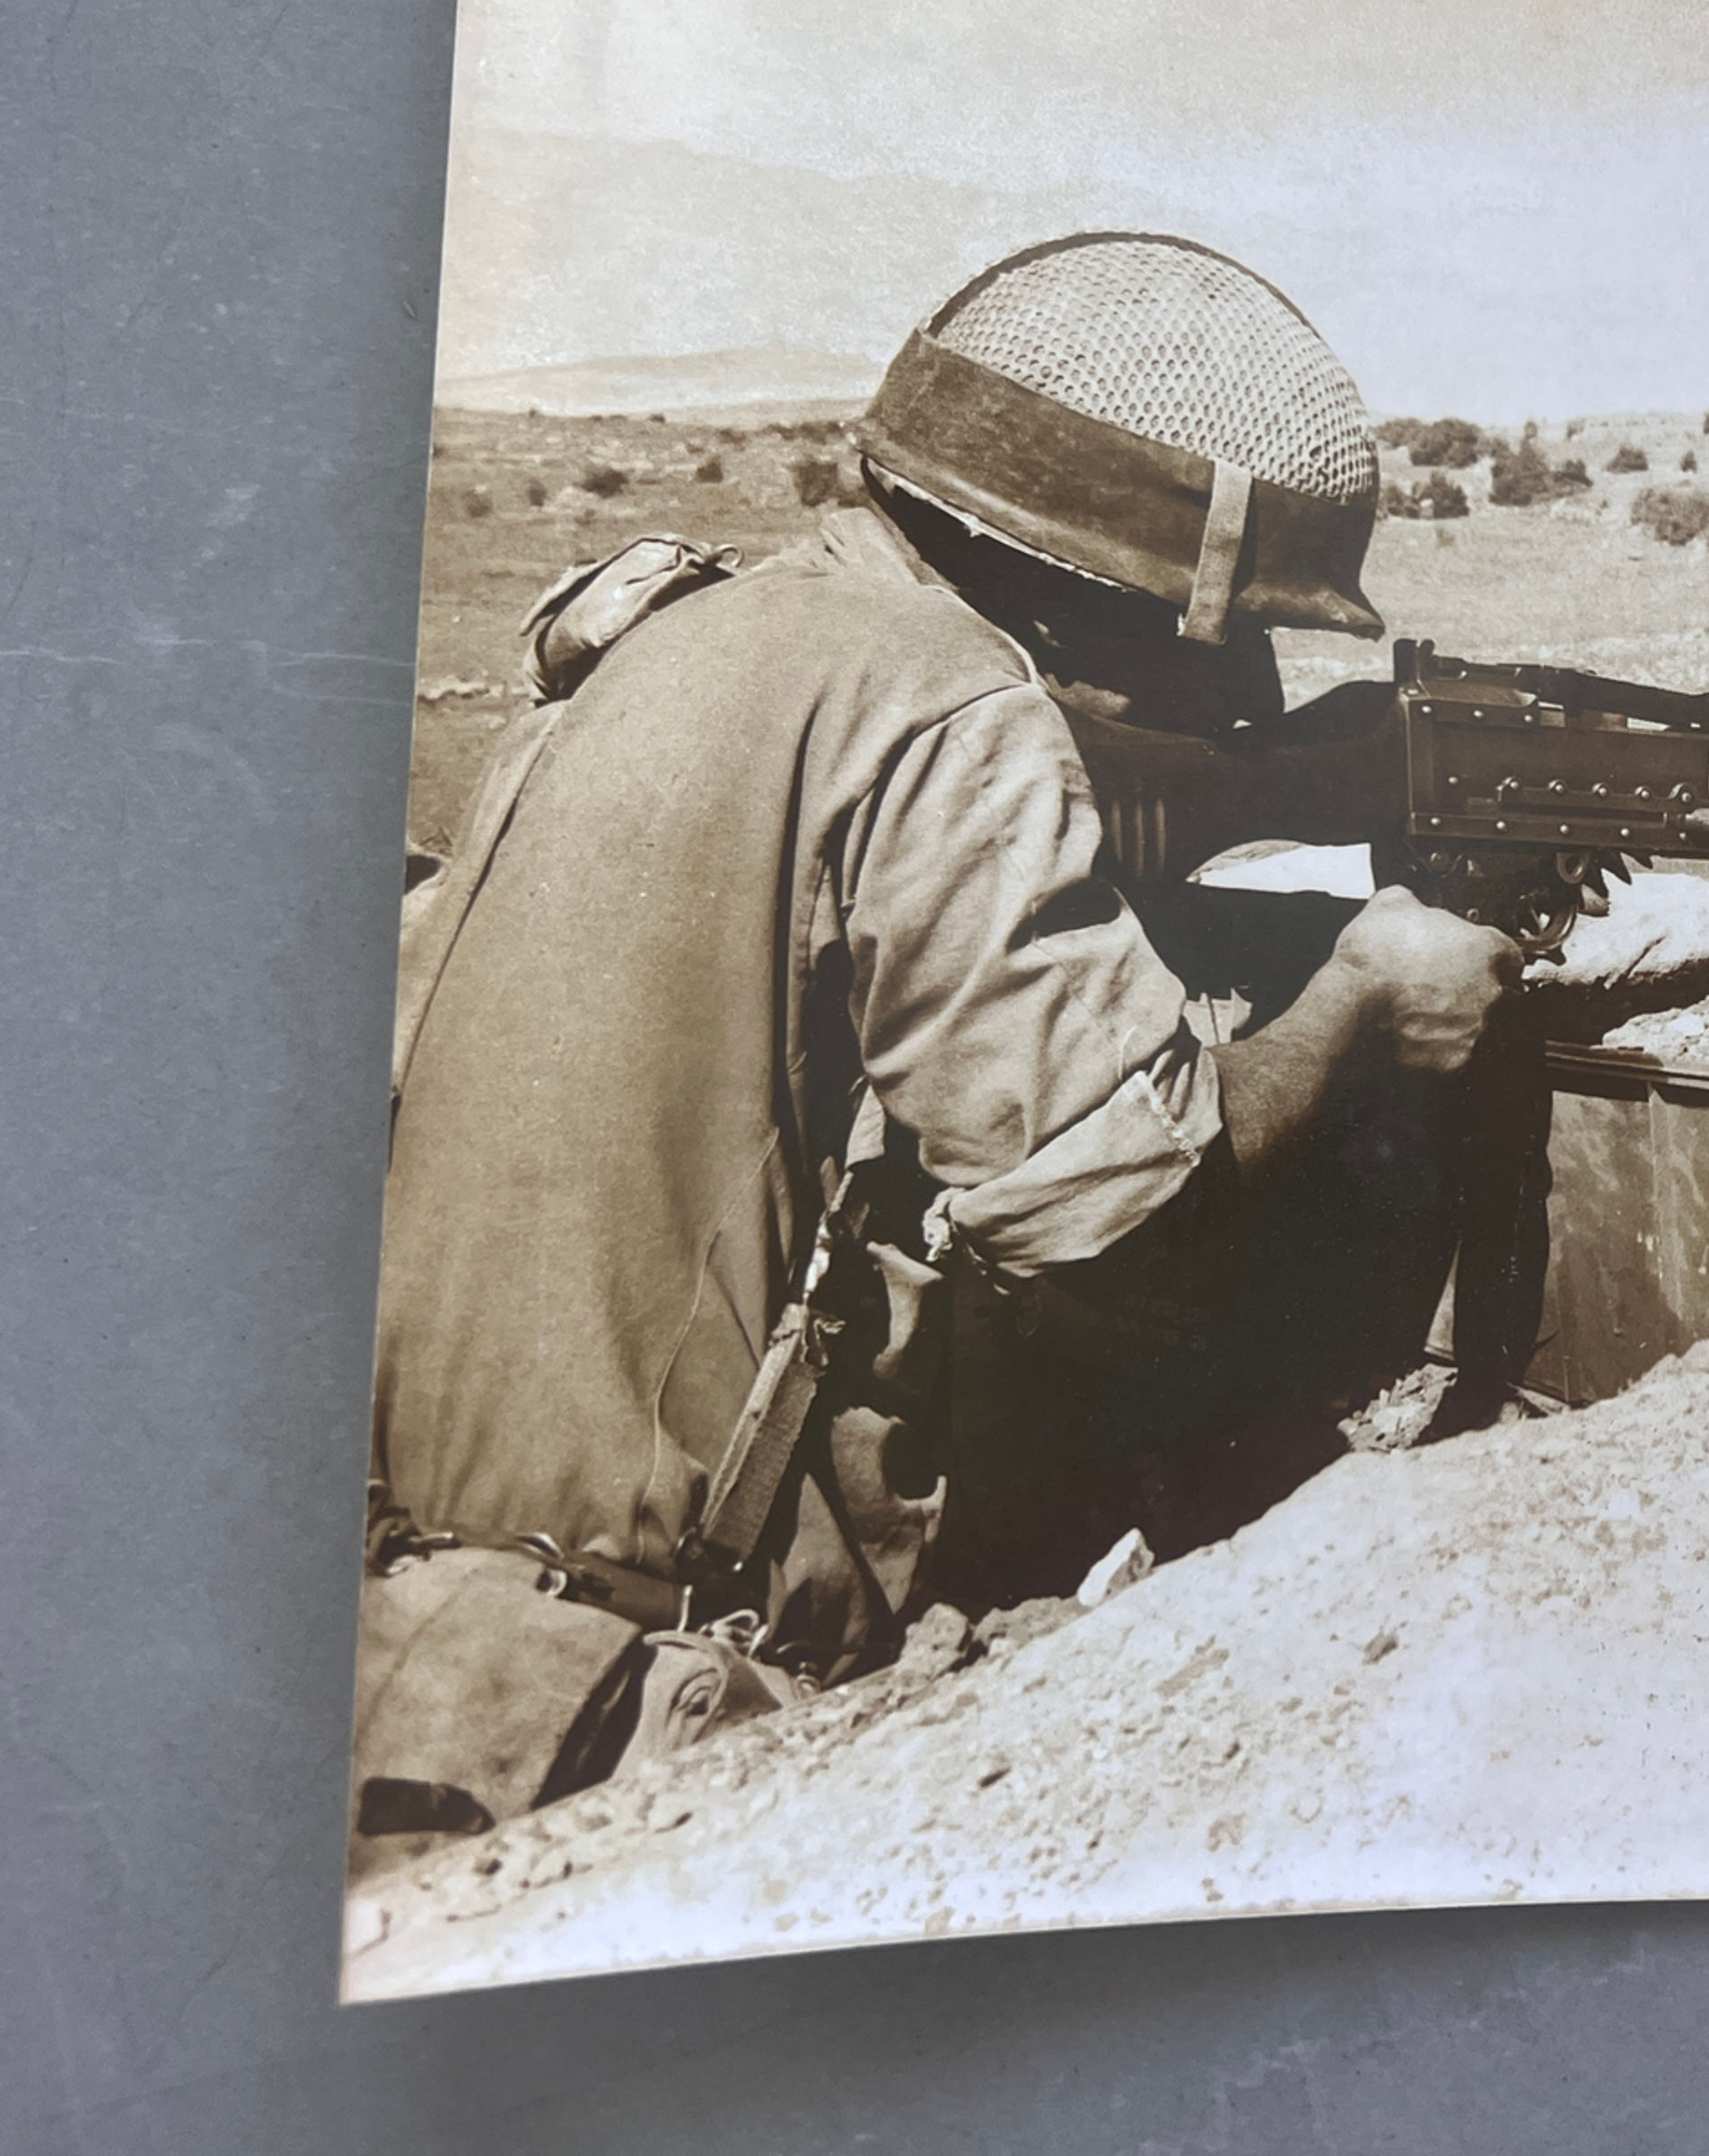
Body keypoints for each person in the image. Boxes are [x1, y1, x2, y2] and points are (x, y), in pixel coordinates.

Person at [357, 232, 1516, 1848]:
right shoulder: (957, 711)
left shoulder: (671, 643)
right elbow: (1122, 1234)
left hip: (409, 1645)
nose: (1244, 693)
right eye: (1235, 640)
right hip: (654, 1725)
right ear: (1135, 598)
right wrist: (1359, 1007)